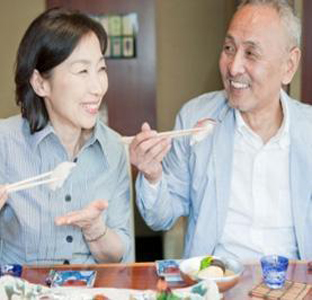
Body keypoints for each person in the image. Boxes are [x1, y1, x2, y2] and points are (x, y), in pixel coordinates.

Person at [130, 0, 312, 261]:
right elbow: (161, 218)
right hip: (216, 282)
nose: (234, 67)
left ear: (289, 65)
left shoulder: (308, 131)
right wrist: (152, 176)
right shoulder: (195, 118)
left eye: (251, 53)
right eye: (229, 48)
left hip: (294, 285)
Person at [0, 7, 132, 264]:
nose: (98, 87)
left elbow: (118, 253)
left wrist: (96, 231)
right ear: (40, 83)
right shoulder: (4, 143)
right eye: (82, 71)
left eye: (101, 69)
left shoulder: (113, 146)